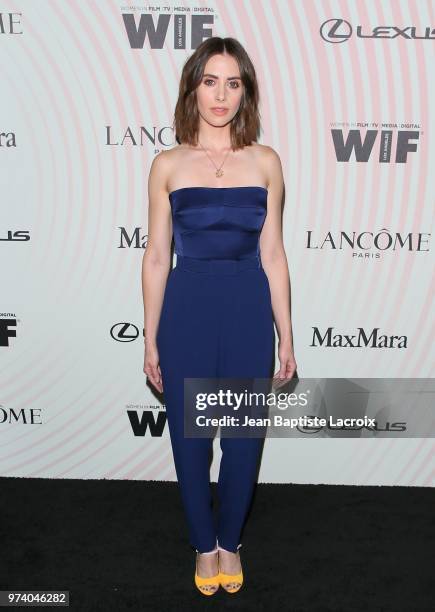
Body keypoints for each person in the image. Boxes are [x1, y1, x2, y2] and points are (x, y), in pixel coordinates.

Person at [142, 36, 296, 596]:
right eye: (211, 81)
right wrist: (150, 338)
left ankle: (231, 541)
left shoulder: (265, 161)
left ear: (245, 91)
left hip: (248, 308)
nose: (221, 95)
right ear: (193, 86)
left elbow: (274, 254)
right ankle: (203, 547)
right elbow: (158, 255)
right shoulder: (167, 164)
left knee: (244, 438)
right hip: (187, 309)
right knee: (190, 438)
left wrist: (287, 336)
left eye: (233, 83)